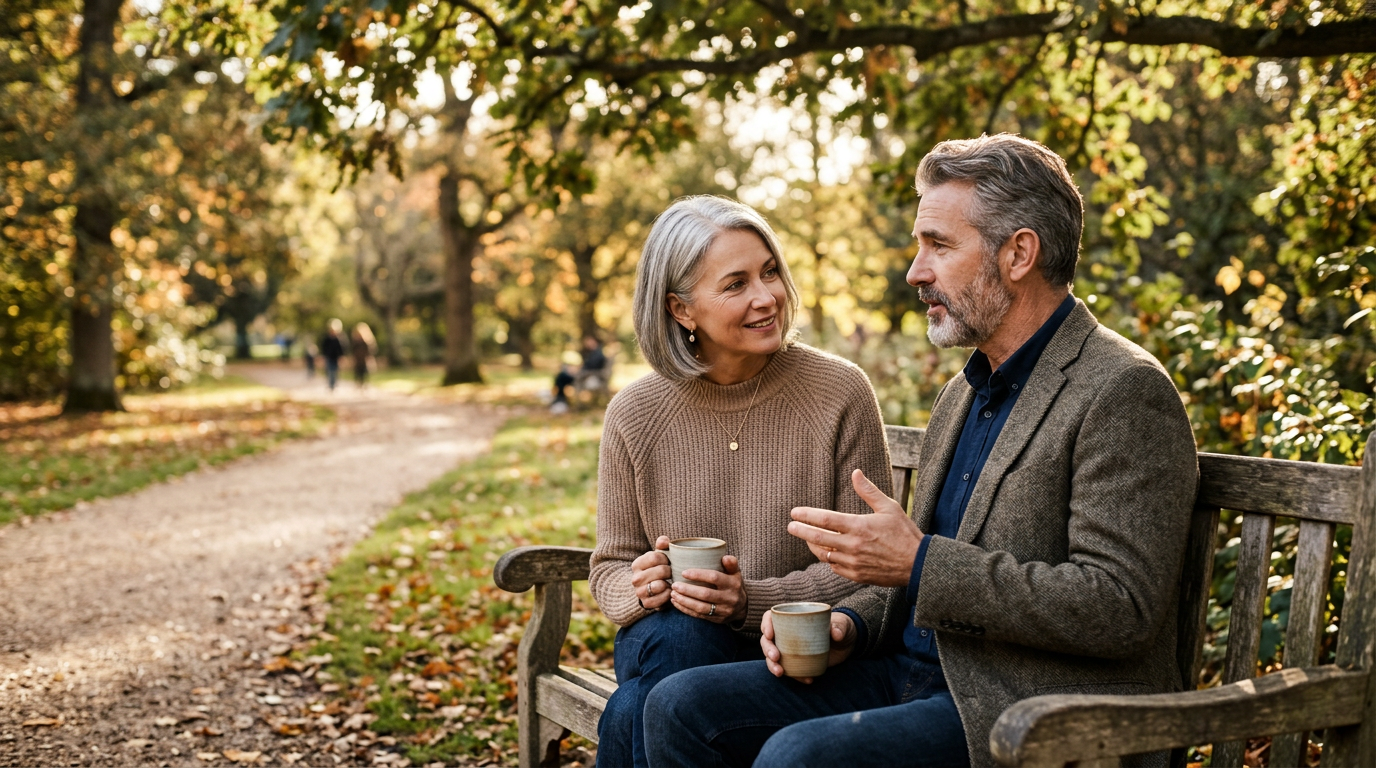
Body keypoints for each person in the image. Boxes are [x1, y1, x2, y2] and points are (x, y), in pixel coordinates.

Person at [644, 135, 1199, 768]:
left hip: (1023, 709)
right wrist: (847, 627)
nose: (915, 271)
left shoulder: (1121, 388)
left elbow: (1120, 607)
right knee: (677, 706)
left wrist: (921, 563)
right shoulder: (966, 390)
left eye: (938, 245)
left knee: (799, 757)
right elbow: (908, 575)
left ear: (1019, 253)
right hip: (911, 678)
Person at [591, 196, 893, 768]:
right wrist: (643, 586)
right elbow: (608, 565)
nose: (766, 297)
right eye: (735, 284)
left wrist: (747, 603)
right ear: (681, 309)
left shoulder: (838, 393)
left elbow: (873, 570)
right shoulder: (635, 413)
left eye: (770, 271)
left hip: (788, 649)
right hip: (668, 641)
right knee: (683, 635)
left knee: (634, 706)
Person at [319, 320, 345, 391]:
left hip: (336, 358)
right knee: (329, 371)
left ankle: (334, 383)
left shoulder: (339, 339)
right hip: (329, 357)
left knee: (335, 371)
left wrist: (341, 357)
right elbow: (324, 348)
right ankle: (330, 384)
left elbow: (341, 349)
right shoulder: (327, 339)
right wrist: (323, 356)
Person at [350, 322, 377, 387]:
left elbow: (371, 350)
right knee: (357, 372)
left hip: (365, 359)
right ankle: (358, 384)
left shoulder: (367, 341)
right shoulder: (355, 341)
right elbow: (353, 350)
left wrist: (369, 357)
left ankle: (364, 384)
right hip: (358, 359)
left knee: (364, 372)